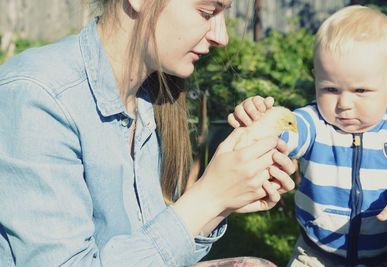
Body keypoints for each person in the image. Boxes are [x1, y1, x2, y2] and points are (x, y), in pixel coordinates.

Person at [0, 0, 296, 266]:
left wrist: (225, 199)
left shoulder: (149, 97)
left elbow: (146, 250)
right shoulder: (37, 97)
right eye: (207, 12)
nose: (222, 37)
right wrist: (209, 197)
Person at [229, 5, 387, 267]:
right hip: (315, 255)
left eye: (361, 90)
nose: (344, 103)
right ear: (316, 80)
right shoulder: (315, 124)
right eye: (330, 88)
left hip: (386, 255)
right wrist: (260, 121)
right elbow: (287, 131)